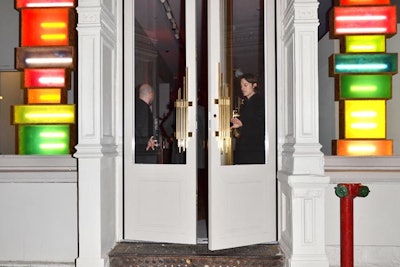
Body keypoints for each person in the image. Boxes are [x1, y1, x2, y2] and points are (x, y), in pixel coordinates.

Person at [230, 73, 265, 164]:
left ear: (254, 85)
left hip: (254, 147)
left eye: (245, 85)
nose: (242, 88)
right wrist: (239, 125)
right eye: (241, 86)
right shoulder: (246, 103)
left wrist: (242, 124)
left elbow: (260, 124)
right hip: (248, 146)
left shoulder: (259, 101)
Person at [135, 83, 158, 163]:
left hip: (137, 153)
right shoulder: (144, 109)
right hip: (144, 154)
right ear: (151, 94)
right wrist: (147, 140)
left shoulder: (135, 107)